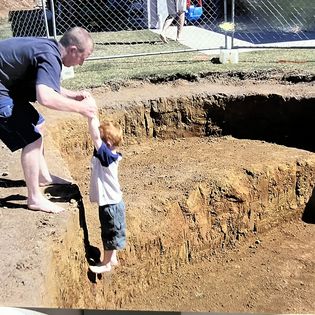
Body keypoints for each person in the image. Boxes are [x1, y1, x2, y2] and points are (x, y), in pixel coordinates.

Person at [0, 27, 98, 213]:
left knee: (38, 123)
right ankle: (35, 198)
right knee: (32, 138)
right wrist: (82, 109)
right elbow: (45, 97)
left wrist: (72, 96)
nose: (82, 63)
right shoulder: (51, 56)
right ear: (73, 50)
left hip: (5, 85)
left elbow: (45, 82)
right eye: (83, 57)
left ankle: (43, 176)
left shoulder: (49, 48)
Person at [87, 115, 126, 274]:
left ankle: (106, 263)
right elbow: (98, 137)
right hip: (113, 203)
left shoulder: (107, 158)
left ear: (107, 143)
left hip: (110, 205)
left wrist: (90, 116)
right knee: (113, 232)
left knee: (109, 234)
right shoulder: (109, 155)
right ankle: (113, 258)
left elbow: (95, 137)